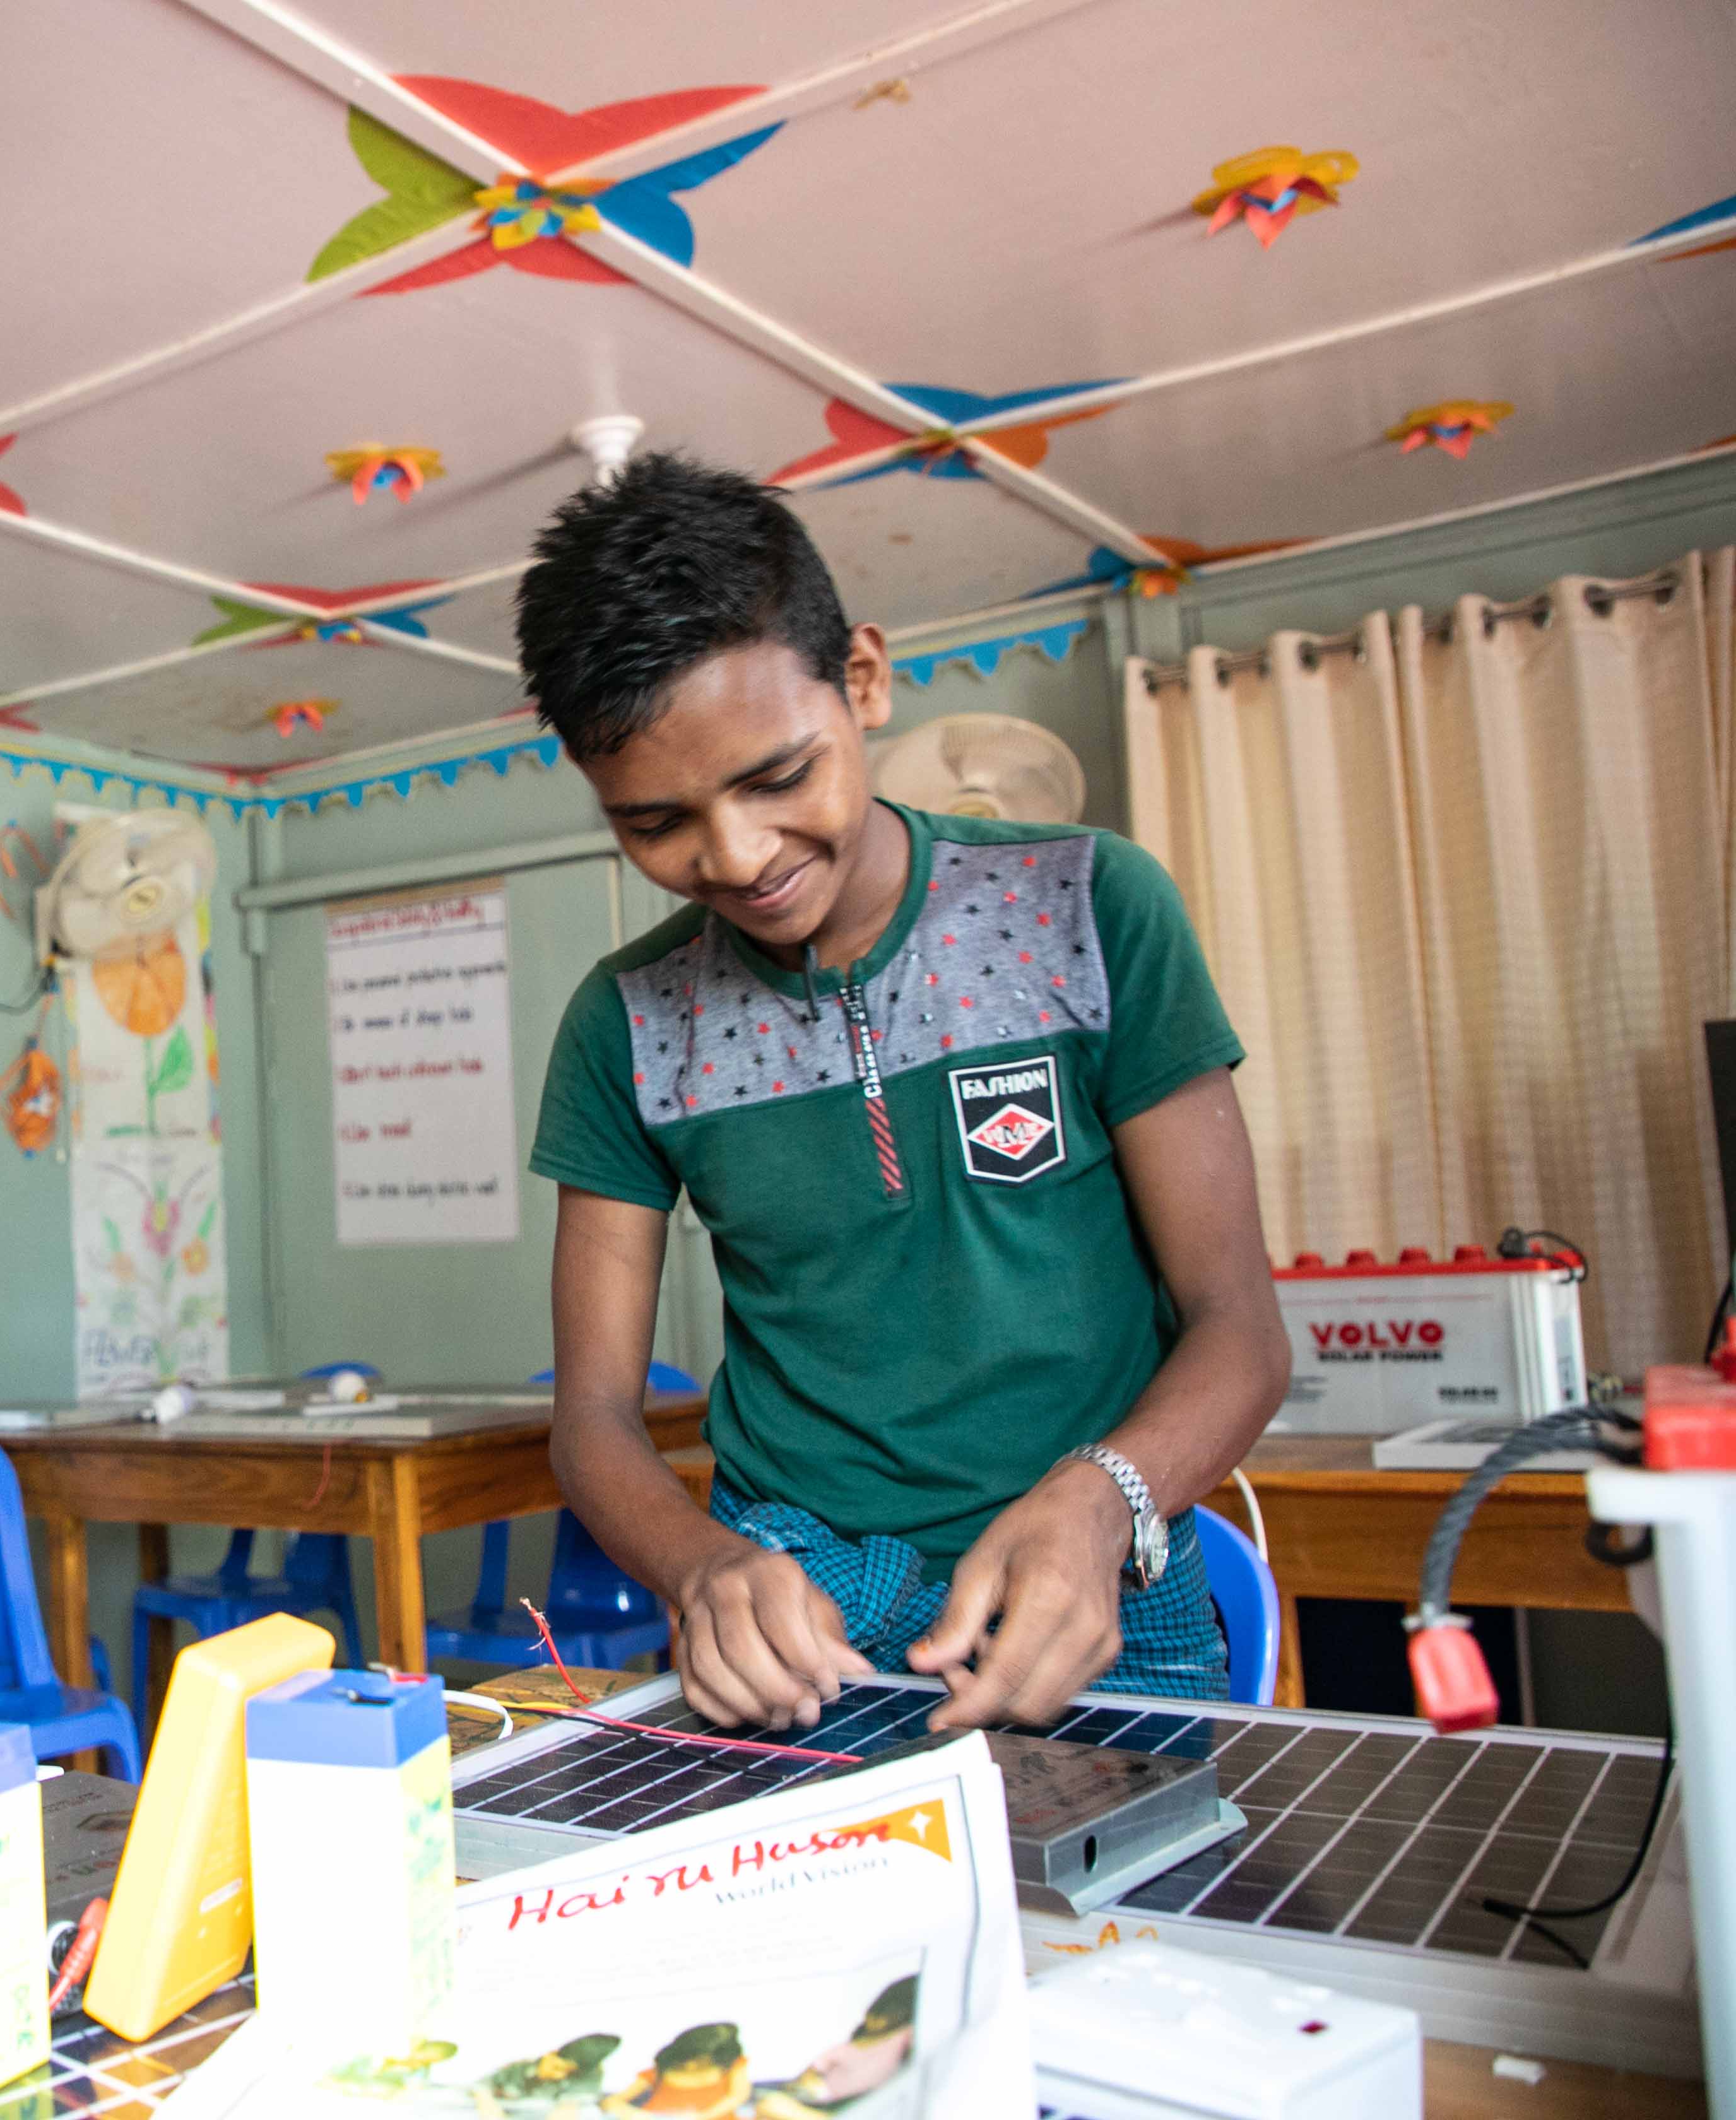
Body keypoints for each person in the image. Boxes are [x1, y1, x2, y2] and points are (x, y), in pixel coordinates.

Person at [520, 453, 1289, 1735]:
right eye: (657, 823)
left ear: (864, 680)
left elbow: (1241, 1331)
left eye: (776, 778)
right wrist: (703, 1566)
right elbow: (592, 1419)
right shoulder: (627, 1025)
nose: (737, 856)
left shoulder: (1087, 910)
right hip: (805, 1621)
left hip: (1098, 1577)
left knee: (1122, 1933)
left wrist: (1104, 1500)